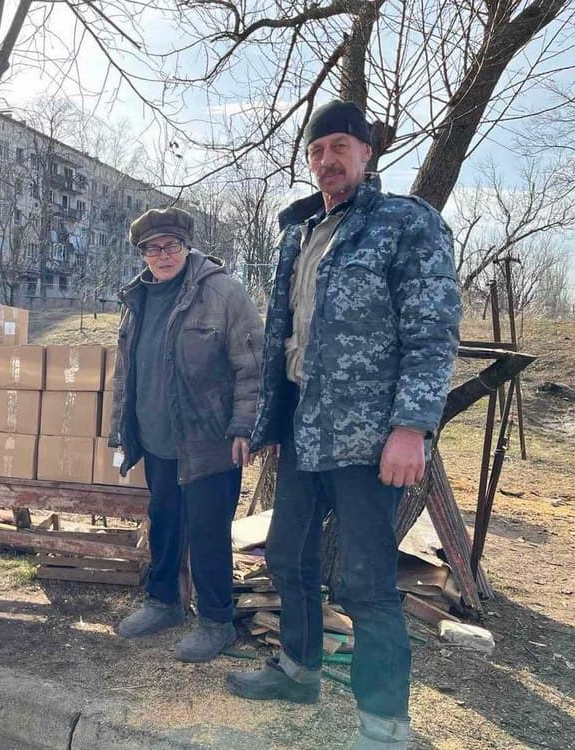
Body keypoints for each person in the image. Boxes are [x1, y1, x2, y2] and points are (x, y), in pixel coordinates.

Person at [225, 101, 461, 749]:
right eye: (316, 150)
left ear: (366, 152)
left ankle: (384, 727)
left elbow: (432, 330)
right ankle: (298, 671)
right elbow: (285, 334)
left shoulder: (404, 223)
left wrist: (412, 427)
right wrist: (267, 420)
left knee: (366, 582)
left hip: (368, 436)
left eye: (339, 146)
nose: (327, 159)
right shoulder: (299, 233)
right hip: (303, 428)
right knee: (287, 556)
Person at [109, 206, 264, 663]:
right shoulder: (137, 298)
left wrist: (244, 426)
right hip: (157, 437)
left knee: (208, 531)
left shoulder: (222, 292)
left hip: (208, 440)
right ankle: (163, 603)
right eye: (152, 248)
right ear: (142, 254)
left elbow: (253, 365)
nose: (163, 255)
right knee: (164, 521)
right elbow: (126, 372)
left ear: (187, 245)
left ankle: (216, 621)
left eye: (171, 245)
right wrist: (121, 428)